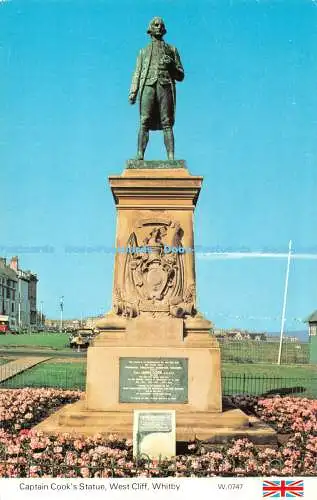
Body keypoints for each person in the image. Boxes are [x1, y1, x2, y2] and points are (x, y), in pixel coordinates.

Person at [129, 17, 184, 160]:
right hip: (148, 85)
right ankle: (140, 155)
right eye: (156, 25)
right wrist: (133, 91)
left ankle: (171, 157)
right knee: (144, 121)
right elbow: (137, 72)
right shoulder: (143, 51)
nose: (159, 27)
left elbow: (181, 75)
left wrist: (171, 65)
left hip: (165, 85)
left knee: (167, 122)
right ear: (150, 29)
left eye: (161, 25)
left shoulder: (172, 50)